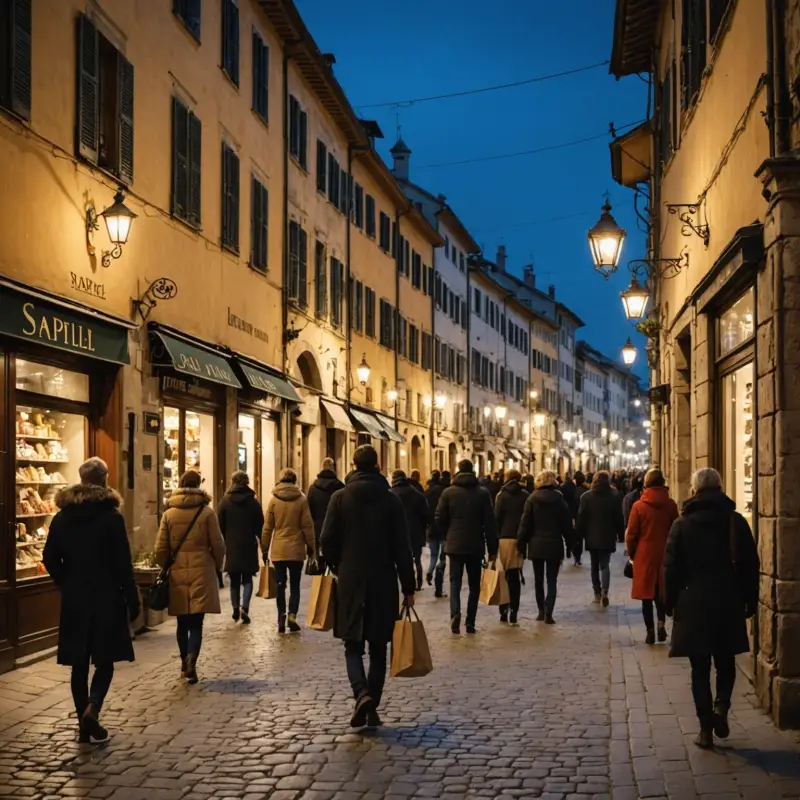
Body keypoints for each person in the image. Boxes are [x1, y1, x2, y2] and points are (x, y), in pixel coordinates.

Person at [43, 457, 139, 743]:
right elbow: (123, 563)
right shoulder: (111, 517)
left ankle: (82, 723)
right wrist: (132, 597)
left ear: (82, 479)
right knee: (105, 660)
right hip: (107, 596)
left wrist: (66, 582)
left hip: (76, 598)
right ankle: (93, 708)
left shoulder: (63, 517)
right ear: (104, 479)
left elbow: (49, 557)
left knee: (79, 663)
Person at [320, 445, 416, 728]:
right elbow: (402, 547)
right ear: (377, 465)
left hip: (350, 578)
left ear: (353, 465)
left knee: (352, 645)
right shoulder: (390, 500)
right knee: (378, 647)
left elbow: (326, 539)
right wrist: (408, 587)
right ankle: (371, 703)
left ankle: (361, 694)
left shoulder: (340, 498)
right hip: (383, 580)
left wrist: (338, 564)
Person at [664, 468, 758, 749]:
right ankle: (721, 707)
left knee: (700, 668)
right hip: (727, 601)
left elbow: (670, 569)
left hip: (693, 603)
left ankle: (705, 729)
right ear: (720, 488)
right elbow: (749, 566)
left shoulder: (681, 524)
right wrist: (750, 601)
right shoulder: (735, 522)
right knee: (726, 662)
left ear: (694, 490)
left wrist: (669, 603)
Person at [156, 470, 225, 685]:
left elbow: (160, 549)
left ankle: (183, 662)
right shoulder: (207, 513)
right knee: (196, 622)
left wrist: (166, 566)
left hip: (177, 573)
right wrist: (216, 567)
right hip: (201, 571)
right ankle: (192, 661)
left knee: (181, 622)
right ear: (198, 486)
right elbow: (218, 545)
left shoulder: (169, 514)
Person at [436, 459, 498, 635]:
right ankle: (470, 622)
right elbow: (490, 523)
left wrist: (447, 534)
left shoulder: (449, 492)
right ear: (473, 471)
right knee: (474, 585)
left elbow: (439, 517)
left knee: (455, 582)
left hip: (455, 544)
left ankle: (455, 613)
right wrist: (492, 550)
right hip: (475, 544)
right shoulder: (482, 493)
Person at [625, 469, 678, 644]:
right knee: (661, 592)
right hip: (665, 553)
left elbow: (631, 534)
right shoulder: (670, 505)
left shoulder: (638, 506)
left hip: (644, 554)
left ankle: (650, 631)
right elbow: (675, 529)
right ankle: (661, 624)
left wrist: (632, 554)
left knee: (646, 596)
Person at [262, 468, 315, 633]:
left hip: (279, 549)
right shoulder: (301, 500)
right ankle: (292, 615)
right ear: (294, 480)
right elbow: (307, 526)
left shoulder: (273, 500)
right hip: (296, 549)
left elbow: (267, 527)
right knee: (295, 585)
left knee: (280, 585)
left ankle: (281, 616)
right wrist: (311, 547)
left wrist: (264, 548)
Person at [516, 470, 572, 623]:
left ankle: (541, 610)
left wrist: (521, 543)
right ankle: (549, 612)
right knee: (552, 580)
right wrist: (570, 543)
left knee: (538, 579)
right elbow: (566, 524)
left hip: (536, 544)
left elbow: (525, 524)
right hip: (554, 543)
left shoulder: (532, 499)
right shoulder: (559, 499)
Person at [217, 471, 264, 624]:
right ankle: (245, 608)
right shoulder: (253, 502)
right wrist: (262, 544)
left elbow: (220, 525)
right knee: (248, 578)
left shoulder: (225, 501)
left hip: (232, 545)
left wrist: (225, 540)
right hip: (248, 544)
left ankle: (235, 608)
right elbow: (260, 525)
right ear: (247, 482)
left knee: (234, 579)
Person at [576, 470, 624, 607]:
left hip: (591, 536)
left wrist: (579, 535)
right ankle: (605, 592)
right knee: (605, 565)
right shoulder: (614, 496)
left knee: (594, 565)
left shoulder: (586, 497)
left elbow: (581, 518)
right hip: (608, 535)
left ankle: (596, 592)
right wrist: (621, 534)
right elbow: (619, 517)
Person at [494, 469, 528, 625]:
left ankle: (503, 611)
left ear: (506, 478)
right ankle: (514, 612)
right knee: (515, 577)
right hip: (519, 539)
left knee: (503, 576)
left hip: (504, 538)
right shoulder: (525, 495)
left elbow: (497, 518)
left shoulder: (501, 496)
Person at [391, 470, 430, 590]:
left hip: (395, 533)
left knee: (397, 560)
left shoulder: (390, 494)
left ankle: (400, 585)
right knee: (417, 559)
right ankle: (418, 583)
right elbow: (426, 515)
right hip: (415, 532)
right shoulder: (417, 495)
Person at [307, 458, 345, 565]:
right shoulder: (340, 487)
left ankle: (319, 572)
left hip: (317, 528)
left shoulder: (313, 488)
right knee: (334, 559)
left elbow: (309, 511)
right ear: (333, 468)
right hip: (335, 528)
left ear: (321, 468)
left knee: (318, 560)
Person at [424, 471, 446, 594]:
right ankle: (439, 586)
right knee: (442, 557)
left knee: (433, 555)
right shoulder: (444, 491)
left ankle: (429, 571)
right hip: (443, 528)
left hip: (432, 527)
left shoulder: (427, 492)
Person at [572, 471, 589, 566]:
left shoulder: (574, 491)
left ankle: (576, 556)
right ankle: (578, 557)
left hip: (576, 517)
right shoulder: (586, 490)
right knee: (581, 538)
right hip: (585, 517)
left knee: (577, 538)